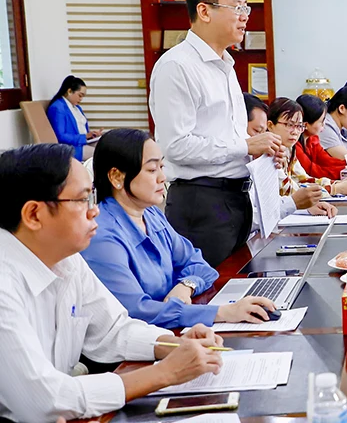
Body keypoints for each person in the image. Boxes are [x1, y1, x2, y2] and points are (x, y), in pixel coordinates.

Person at [0, 143, 225, 421]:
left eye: (92, 197)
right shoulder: (4, 285)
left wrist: (174, 345)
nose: (94, 211)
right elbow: (45, 399)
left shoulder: (66, 260)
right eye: (82, 200)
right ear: (34, 214)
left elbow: (113, 329)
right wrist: (166, 373)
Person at [148, 0, 282, 267]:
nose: (245, 17)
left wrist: (262, 149)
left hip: (236, 199)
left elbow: (227, 137)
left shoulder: (225, 65)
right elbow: (175, 146)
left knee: (239, 284)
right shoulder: (177, 67)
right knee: (209, 288)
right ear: (204, 11)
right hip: (202, 204)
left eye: (246, 8)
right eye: (237, 8)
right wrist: (246, 146)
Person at [81, 129, 279, 329]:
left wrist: (186, 286)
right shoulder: (101, 236)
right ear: (116, 177)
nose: (162, 177)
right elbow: (137, 311)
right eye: (152, 170)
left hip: (172, 328)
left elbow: (200, 265)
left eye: (162, 167)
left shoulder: (151, 215)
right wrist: (222, 313)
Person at [267, 98, 347, 212]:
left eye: (299, 126)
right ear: (270, 125)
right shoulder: (269, 153)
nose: (295, 132)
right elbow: (289, 189)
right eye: (289, 125)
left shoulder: (290, 148)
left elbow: (303, 179)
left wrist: (336, 183)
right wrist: (334, 188)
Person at [47, 75, 102, 161]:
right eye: (80, 95)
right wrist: (84, 137)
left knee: (108, 146)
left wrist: (91, 135)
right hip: (71, 147)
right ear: (69, 91)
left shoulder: (77, 108)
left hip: (83, 142)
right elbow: (60, 136)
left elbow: (81, 129)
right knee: (103, 154)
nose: (81, 99)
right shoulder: (58, 108)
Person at [296, 93, 347, 180]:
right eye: (321, 121)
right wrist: (345, 171)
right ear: (305, 125)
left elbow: (327, 161)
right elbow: (313, 172)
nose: (324, 124)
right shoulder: (295, 146)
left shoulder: (312, 139)